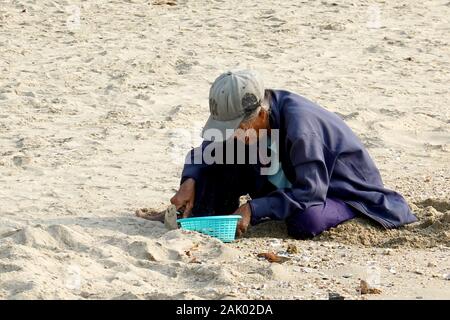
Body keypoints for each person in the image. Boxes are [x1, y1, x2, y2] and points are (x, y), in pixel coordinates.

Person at [169, 70, 417, 238]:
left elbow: (310, 192)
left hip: (338, 190)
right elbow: (208, 150)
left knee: (305, 222)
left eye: (238, 128)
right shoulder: (250, 111)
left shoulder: (301, 129)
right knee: (215, 168)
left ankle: (353, 210)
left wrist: (254, 209)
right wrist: (190, 179)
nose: (233, 135)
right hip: (285, 174)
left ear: (262, 115)